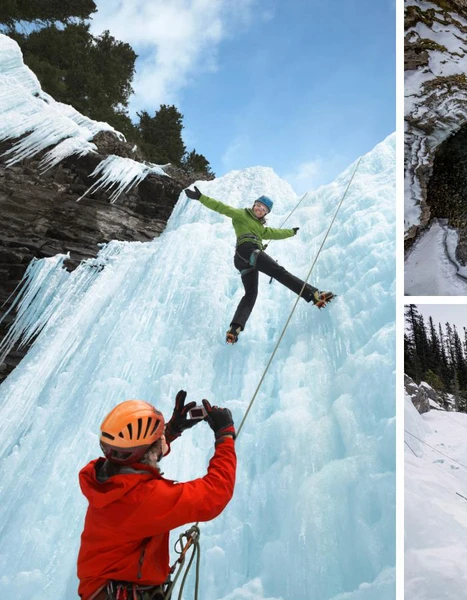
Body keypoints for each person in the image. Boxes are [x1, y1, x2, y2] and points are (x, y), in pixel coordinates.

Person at [77, 391, 237, 600]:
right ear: (149, 451)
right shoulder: (143, 498)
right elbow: (215, 494)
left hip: (105, 590)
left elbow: (140, 457)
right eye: (158, 438)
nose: (162, 439)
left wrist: (171, 431)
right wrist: (224, 436)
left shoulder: (106, 479)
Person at [185, 186, 335, 344]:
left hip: (242, 260)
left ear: (265, 213)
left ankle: (235, 328)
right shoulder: (241, 214)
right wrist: (201, 197)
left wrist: (291, 232)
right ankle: (313, 294)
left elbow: (276, 233)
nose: (260, 209)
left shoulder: (262, 229)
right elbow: (221, 207)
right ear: (254, 205)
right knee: (278, 272)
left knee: (251, 294)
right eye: (258, 205)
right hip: (248, 250)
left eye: (263, 209)